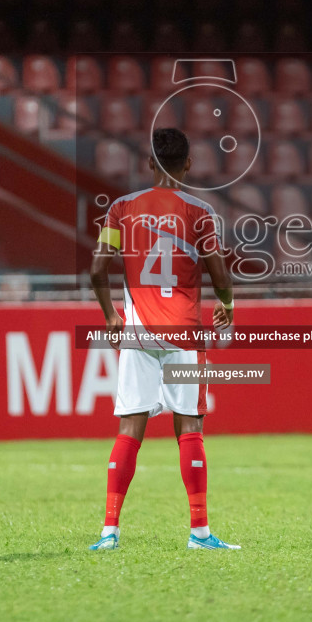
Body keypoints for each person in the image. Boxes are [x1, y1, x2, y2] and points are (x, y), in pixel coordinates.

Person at [88, 127, 237, 551]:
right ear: (188, 163)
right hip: (184, 330)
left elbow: (98, 270)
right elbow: (220, 274)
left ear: (150, 163)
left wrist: (111, 315)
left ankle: (109, 532)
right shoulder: (200, 212)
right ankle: (200, 533)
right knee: (189, 425)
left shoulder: (121, 209)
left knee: (130, 425)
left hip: (137, 330)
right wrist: (227, 303)